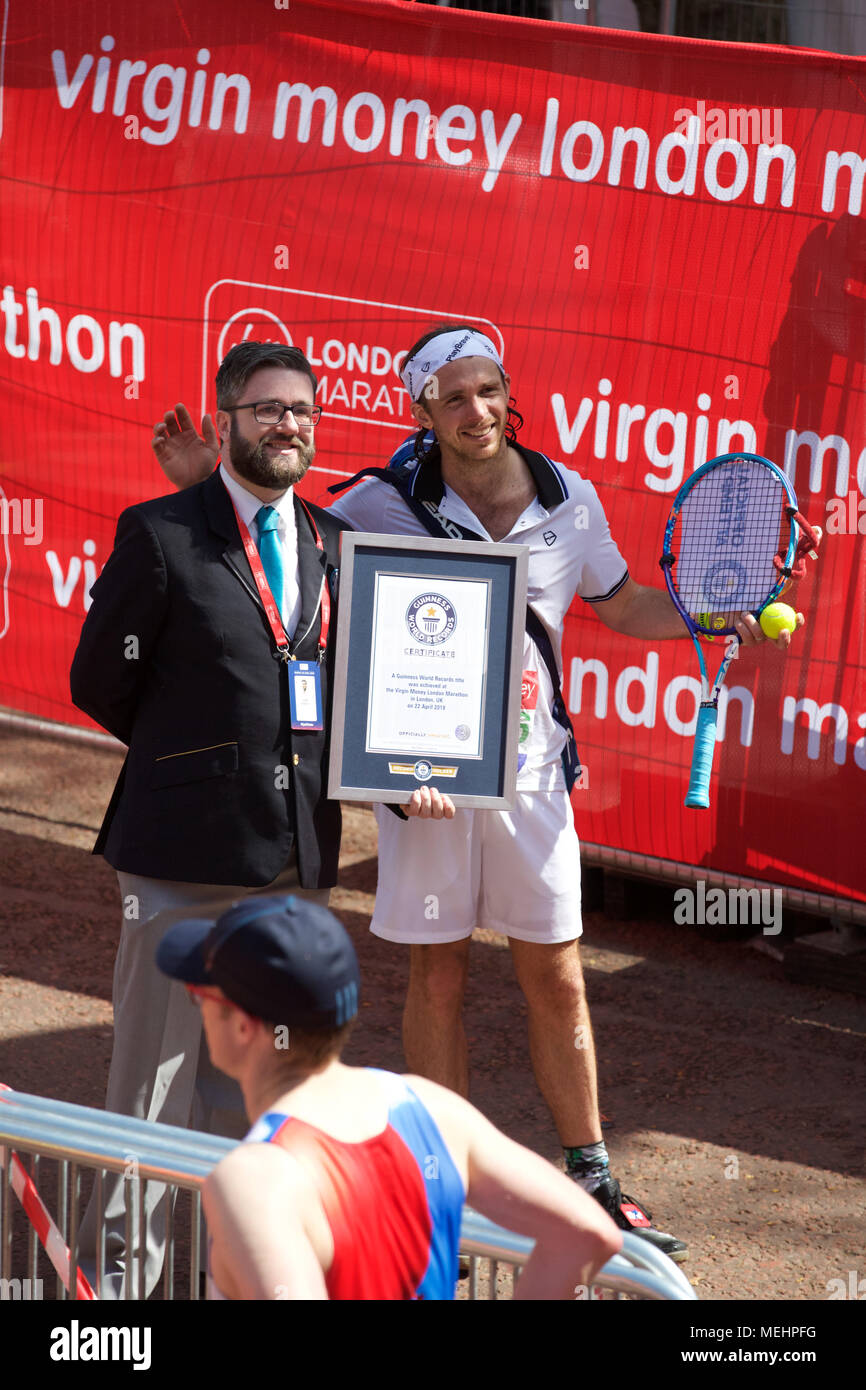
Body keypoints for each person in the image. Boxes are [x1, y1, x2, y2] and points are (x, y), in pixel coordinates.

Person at [152, 326, 807, 1263]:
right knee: (441, 972)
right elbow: (272, 540)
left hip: (535, 781)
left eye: (490, 390)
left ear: (510, 393)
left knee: (558, 974)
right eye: (453, 398)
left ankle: (592, 1176)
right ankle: (440, 1183)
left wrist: (714, 610)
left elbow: (620, 603)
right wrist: (195, 481)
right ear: (422, 411)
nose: (477, 412)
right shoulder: (375, 504)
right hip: (423, 787)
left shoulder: (568, 498)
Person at [69, 341, 351, 1297]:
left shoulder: (335, 544)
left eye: (302, 411)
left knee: (256, 1095)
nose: (287, 426)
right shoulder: (160, 532)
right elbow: (101, 680)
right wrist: (188, 760)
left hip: (290, 865)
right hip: (180, 860)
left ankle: (231, 1274)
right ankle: (123, 1293)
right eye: (267, 409)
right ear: (224, 419)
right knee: (151, 1086)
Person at [155, 892, 624, 1300]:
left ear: (241, 1025)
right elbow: (586, 1232)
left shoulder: (256, 1178)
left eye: (201, 995)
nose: (197, 1009)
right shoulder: (431, 1109)